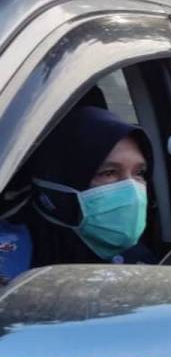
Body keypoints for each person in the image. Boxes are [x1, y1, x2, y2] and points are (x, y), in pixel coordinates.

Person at [25, 106, 156, 267]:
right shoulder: (13, 260)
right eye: (109, 173)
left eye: (139, 172)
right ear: (62, 182)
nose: (132, 191)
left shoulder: (140, 260)